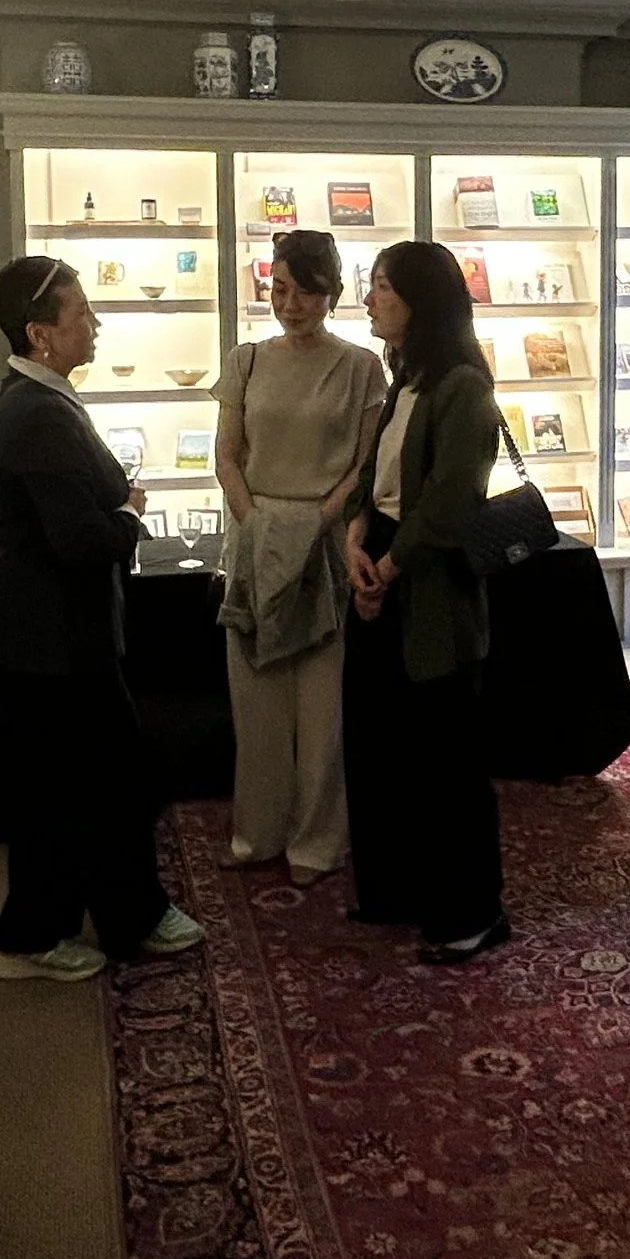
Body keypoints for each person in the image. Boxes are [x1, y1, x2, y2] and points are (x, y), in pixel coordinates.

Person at [0, 254, 206, 983]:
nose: (94, 324)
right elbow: (82, 540)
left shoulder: (39, 397)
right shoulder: (39, 412)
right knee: (93, 783)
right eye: (81, 314)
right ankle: (40, 935)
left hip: (56, 636)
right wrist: (131, 514)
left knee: (85, 785)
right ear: (41, 333)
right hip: (53, 641)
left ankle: (106, 917)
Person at [339, 241, 509, 964]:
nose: (368, 298)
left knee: (446, 758)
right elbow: (371, 478)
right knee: (381, 744)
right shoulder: (402, 379)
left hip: (429, 582)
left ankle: (470, 909)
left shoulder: (462, 386)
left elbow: (449, 501)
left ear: (421, 300)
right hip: (380, 560)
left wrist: (386, 564)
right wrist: (354, 541)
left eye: (381, 286)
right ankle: (398, 887)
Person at [214, 230, 386, 885]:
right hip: (256, 540)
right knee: (254, 697)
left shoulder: (362, 366)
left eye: (308, 290)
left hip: (325, 544)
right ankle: (255, 831)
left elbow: (365, 464)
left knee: (321, 708)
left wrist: (320, 520)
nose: (292, 303)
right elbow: (227, 454)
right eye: (281, 288)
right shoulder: (247, 360)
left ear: (331, 293)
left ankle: (316, 839)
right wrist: (257, 523)